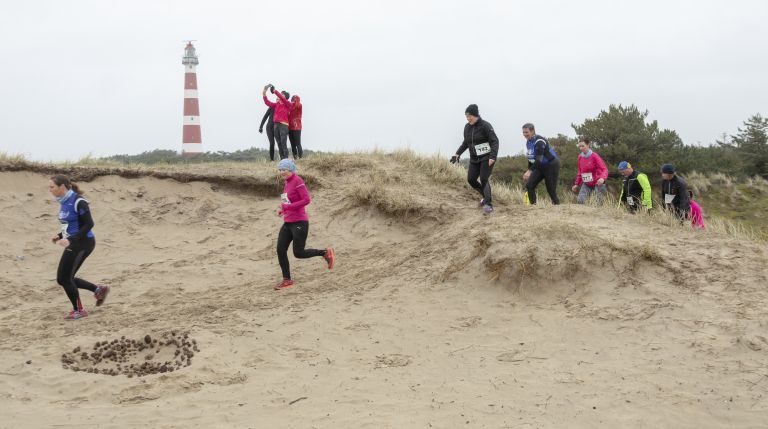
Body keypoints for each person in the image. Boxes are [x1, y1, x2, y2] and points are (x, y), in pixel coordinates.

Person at [48, 175, 110, 320]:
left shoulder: (78, 201)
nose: (49, 190)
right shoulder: (63, 201)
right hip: (74, 241)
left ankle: (79, 310)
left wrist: (70, 239)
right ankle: (98, 289)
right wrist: (60, 235)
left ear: (62, 187)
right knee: (65, 278)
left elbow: (89, 224)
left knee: (64, 278)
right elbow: (70, 225)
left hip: (83, 243)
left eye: (52, 187)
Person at [274, 159, 335, 290]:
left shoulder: (298, 181)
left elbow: (306, 200)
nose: (281, 172)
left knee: (299, 253)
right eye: (280, 169)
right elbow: (288, 202)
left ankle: (325, 253)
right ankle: (287, 280)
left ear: (291, 169)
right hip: (287, 222)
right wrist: (283, 210)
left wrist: (288, 207)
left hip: (299, 222)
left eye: (284, 169)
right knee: (280, 250)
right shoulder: (286, 183)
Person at [451, 104, 499, 214]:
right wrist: (457, 153)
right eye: (466, 117)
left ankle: (488, 204)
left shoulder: (486, 126)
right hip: (474, 159)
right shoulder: (467, 127)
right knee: (471, 180)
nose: (468, 119)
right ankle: (485, 196)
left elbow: (495, 141)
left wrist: (493, 156)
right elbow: (466, 143)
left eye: (470, 116)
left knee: (484, 179)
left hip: (487, 157)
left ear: (475, 115)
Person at [522, 123, 560, 205]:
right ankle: (533, 206)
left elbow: (539, 159)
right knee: (529, 185)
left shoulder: (539, 141)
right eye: (523, 132)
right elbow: (531, 158)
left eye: (526, 132)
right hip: (540, 166)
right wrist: (528, 170)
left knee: (551, 189)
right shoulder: (528, 142)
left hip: (551, 165)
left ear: (532, 131)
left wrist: (529, 172)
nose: (525, 134)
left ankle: (557, 207)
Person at [571, 138, 608, 204]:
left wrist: (602, 178)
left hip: (598, 182)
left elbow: (604, 169)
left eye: (583, 146)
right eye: (580, 146)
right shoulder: (580, 157)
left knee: (598, 203)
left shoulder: (594, 156)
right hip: (587, 183)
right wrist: (576, 184)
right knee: (580, 200)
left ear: (588, 145)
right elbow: (580, 172)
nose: (581, 148)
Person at [262, 84, 292, 160]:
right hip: (276, 125)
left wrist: (274, 91)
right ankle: (282, 159)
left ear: (286, 97)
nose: (280, 96)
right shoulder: (277, 104)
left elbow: (282, 98)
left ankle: (286, 159)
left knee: (283, 143)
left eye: (282, 95)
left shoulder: (288, 104)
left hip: (283, 126)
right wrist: (264, 92)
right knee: (279, 143)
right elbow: (267, 103)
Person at [288, 95, 303, 159]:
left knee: (298, 144)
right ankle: (295, 158)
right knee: (292, 145)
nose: (292, 100)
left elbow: (297, 105)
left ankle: (300, 158)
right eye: (292, 99)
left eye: (294, 99)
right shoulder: (290, 106)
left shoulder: (299, 105)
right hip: (290, 127)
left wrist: (295, 99)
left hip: (297, 127)